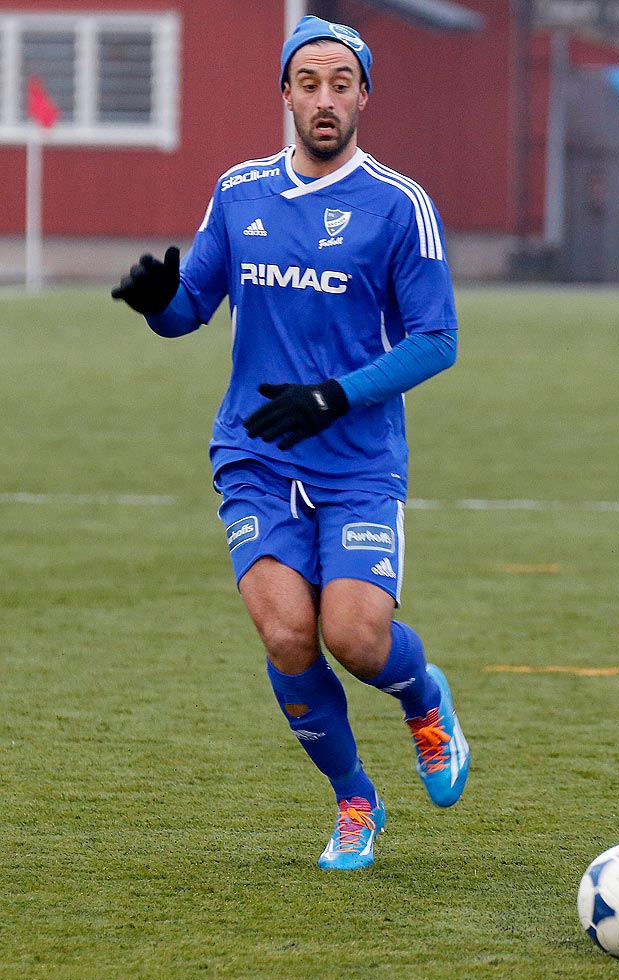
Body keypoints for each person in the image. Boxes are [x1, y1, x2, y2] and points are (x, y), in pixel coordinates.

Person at [111, 16, 468, 871]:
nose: (324, 99)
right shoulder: (239, 193)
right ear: (285, 92)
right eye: (308, 82)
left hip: (357, 464)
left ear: (363, 96)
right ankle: (355, 801)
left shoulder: (399, 204)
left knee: (353, 636)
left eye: (341, 84)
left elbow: (437, 339)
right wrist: (158, 302)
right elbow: (191, 308)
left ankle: (424, 699)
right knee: (286, 636)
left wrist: (334, 396)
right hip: (256, 453)